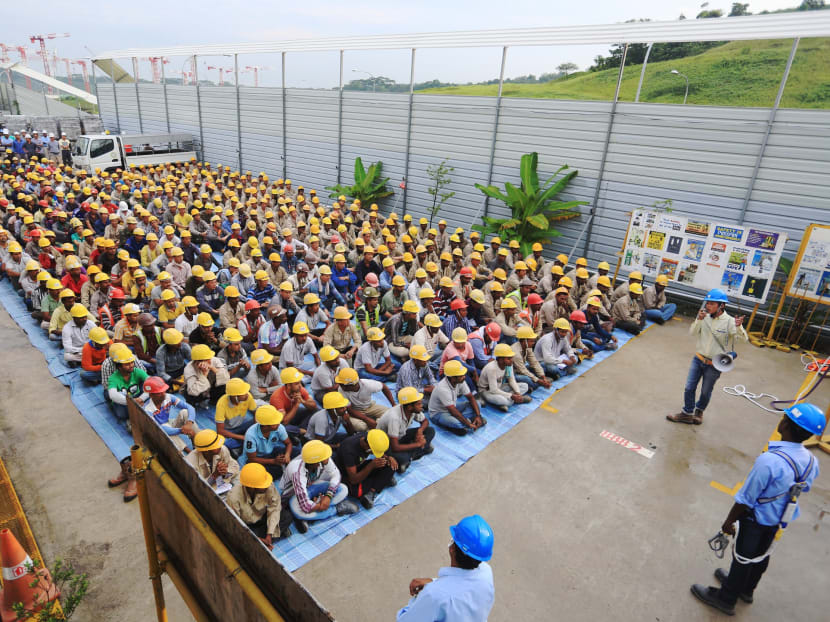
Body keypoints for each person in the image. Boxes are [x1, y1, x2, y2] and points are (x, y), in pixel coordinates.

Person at [689, 403, 823, 615]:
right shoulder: (811, 461)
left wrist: (728, 521)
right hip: (778, 520)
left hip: (755, 520)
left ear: (786, 425)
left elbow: (746, 498)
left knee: (742, 557)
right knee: (761, 555)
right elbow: (804, 488)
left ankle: (726, 598)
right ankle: (747, 589)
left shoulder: (769, 461)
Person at [667, 289, 746, 425]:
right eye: (707, 303)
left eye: (711, 304)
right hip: (698, 359)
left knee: (705, 391)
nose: (708, 306)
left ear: (721, 306)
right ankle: (687, 413)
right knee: (689, 387)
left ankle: (699, 411)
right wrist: (698, 320)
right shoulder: (704, 318)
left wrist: (739, 327)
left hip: (714, 364)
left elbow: (743, 340)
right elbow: (692, 332)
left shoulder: (729, 321)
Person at [397, 515, 495, 621]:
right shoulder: (486, 572)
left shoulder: (435, 596)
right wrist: (433, 582)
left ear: (452, 548)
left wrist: (416, 602)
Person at [278, 439, 353, 534]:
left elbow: (336, 475)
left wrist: (328, 497)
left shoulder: (322, 459)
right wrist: (319, 506)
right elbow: (305, 505)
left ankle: (312, 514)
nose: (328, 458)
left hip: (313, 485)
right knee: (298, 510)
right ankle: (335, 509)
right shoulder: (297, 472)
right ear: (316, 462)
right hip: (294, 494)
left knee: (343, 489)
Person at [334, 429, 397, 510]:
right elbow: (353, 479)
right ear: (368, 447)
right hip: (346, 475)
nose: (373, 454)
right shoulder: (349, 450)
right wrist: (371, 466)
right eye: (373, 452)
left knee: (391, 465)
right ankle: (381, 481)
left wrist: (388, 458)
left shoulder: (369, 436)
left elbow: (382, 455)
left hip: (360, 466)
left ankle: (372, 491)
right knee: (357, 492)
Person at [377, 387, 435, 474]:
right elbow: (395, 447)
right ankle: (417, 452)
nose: (421, 405)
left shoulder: (412, 410)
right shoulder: (394, 418)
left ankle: (410, 456)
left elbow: (425, 421)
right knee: (403, 457)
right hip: (388, 444)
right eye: (419, 404)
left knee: (430, 430)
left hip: (400, 436)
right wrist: (418, 444)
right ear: (409, 407)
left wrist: (420, 431)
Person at [227, 463, 283, 549]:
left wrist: (269, 535)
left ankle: (265, 540)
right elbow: (235, 525)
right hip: (247, 526)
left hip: (262, 518)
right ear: (251, 487)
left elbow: (275, 508)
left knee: (286, 515)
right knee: (238, 542)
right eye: (262, 486)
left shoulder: (268, 485)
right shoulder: (233, 497)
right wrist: (257, 539)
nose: (266, 487)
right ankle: (259, 542)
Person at [428, 360, 485, 435]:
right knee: (456, 423)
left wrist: (478, 416)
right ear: (453, 378)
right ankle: (464, 422)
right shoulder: (442, 388)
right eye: (461, 376)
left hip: (453, 407)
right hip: (439, 413)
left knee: (477, 404)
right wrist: (468, 424)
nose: (464, 377)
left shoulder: (460, 381)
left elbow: (471, 398)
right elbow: (452, 410)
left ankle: (469, 421)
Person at [141, 376, 198, 451]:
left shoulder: (168, 397)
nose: (163, 394)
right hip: (158, 433)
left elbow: (190, 407)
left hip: (169, 424)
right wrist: (181, 430)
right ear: (151, 395)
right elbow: (160, 429)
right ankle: (187, 452)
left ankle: (197, 444)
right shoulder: (147, 409)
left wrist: (189, 423)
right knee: (167, 433)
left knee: (185, 412)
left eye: (163, 391)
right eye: (159, 393)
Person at [239, 405, 293, 479]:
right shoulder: (250, 435)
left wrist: (287, 455)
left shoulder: (279, 427)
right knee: (271, 473)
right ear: (265, 425)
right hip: (258, 458)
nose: (278, 423)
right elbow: (252, 459)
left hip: (271, 452)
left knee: (296, 451)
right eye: (275, 422)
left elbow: (288, 443)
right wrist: (273, 461)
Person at [337, 366, 397, 432]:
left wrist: (393, 404)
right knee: (361, 427)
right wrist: (367, 419)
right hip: (354, 411)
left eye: (342, 384)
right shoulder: (341, 390)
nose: (339, 385)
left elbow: (384, 387)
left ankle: (376, 425)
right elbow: (350, 410)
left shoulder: (367, 384)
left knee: (390, 414)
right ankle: (375, 428)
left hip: (369, 406)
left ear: (352, 385)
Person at [478, 343, 531, 412]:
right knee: (504, 401)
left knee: (525, 386)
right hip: (487, 391)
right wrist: (511, 396)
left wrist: (517, 393)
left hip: (499, 387)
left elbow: (511, 380)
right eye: (509, 358)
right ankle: (511, 401)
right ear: (500, 359)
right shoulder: (492, 368)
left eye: (511, 358)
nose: (511, 360)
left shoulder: (508, 365)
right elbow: (493, 390)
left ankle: (512, 400)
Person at [107, 347, 149, 424]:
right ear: (119, 366)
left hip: (138, 398)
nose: (131, 365)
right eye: (127, 364)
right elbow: (113, 395)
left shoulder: (138, 372)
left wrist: (141, 398)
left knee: (151, 389)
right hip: (124, 401)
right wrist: (132, 402)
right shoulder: (113, 378)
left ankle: (137, 412)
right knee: (121, 414)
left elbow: (152, 384)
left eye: (132, 362)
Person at [214, 378, 258, 451]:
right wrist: (242, 437)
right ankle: (245, 442)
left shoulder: (248, 396)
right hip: (229, 430)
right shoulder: (221, 404)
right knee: (223, 444)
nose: (247, 394)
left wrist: (256, 428)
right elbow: (220, 431)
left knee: (263, 423)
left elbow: (256, 413)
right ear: (235, 396)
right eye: (243, 393)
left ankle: (244, 442)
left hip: (242, 425)